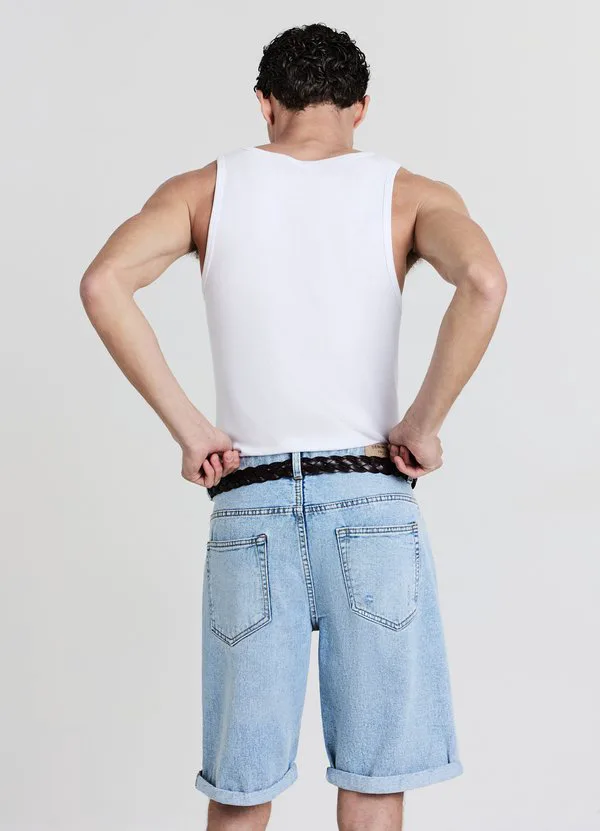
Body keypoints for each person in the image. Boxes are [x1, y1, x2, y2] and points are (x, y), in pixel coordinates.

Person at [80, 22, 506, 831]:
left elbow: (104, 283)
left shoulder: (202, 192)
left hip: (251, 506)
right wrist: (423, 422)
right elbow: (483, 280)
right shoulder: (413, 195)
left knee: (241, 788)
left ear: (266, 105)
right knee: (375, 779)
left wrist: (192, 429)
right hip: (371, 503)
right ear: (361, 107)